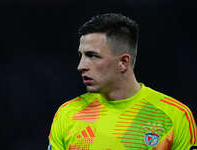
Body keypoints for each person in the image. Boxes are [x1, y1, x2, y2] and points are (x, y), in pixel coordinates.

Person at [48, 13, 197, 150]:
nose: (81, 66)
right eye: (81, 55)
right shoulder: (67, 114)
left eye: (92, 55)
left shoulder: (175, 116)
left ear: (123, 62)